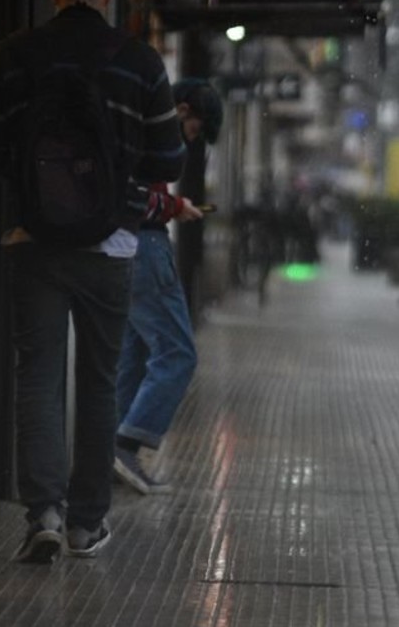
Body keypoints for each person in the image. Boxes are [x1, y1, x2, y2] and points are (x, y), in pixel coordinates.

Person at [0, 0, 185, 562]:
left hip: (33, 239)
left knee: (37, 375)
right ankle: (86, 524)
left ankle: (42, 512)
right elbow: (167, 155)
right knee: (99, 382)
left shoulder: (12, 56)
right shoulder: (140, 63)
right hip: (112, 245)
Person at [113, 79, 221, 494]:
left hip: (125, 247)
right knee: (178, 354)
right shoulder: (150, 135)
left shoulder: (131, 127)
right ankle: (126, 444)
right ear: (181, 110)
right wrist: (176, 206)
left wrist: (175, 206)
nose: (191, 139)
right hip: (147, 248)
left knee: (134, 355)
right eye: (193, 128)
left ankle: (113, 453)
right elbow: (135, 195)